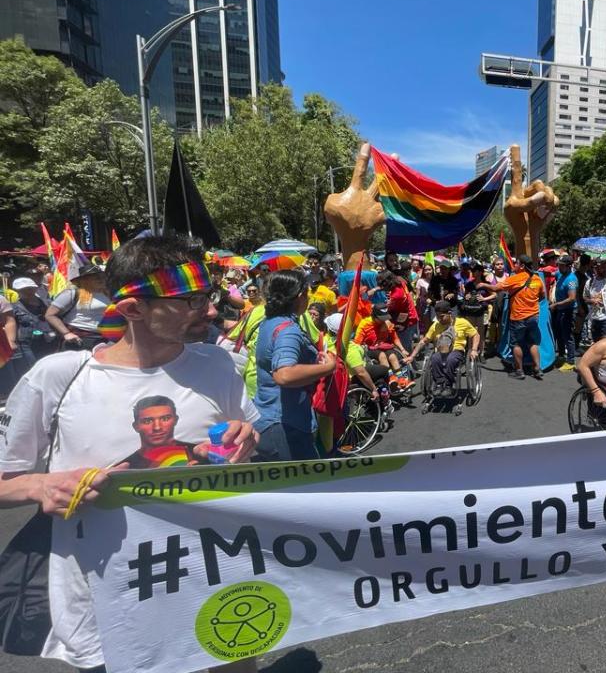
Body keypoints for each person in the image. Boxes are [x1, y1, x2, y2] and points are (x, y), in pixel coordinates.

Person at [0, 234, 259, 673]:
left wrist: (244, 442)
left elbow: (239, 457)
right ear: (133, 310)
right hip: (106, 609)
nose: (211, 311)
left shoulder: (218, 365)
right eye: (192, 300)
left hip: (212, 589)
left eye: (208, 295)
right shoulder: (59, 376)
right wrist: (45, 485)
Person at [253, 269, 338, 461]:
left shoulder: (270, 322)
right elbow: (284, 374)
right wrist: (328, 367)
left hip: (269, 416)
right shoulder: (288, 330)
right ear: (300, 297)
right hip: (284, 423)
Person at [478, 254, 545, 380]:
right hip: (533, 316)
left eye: (517, 263)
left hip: (518, 317)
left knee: (516, 344)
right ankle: (537, 369)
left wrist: (483, 285)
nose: (514, 265)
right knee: (532, 342)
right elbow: (542, 296)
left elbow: (496, 288)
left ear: (522, 266)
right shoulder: (537, 279)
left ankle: (519, 371)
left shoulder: (515, 278)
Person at [404, 300, 479, 397]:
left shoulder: (462, 322)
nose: (439, 319)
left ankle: (448, 385)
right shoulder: (435, 326)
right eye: (437, 317)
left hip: (457, 351)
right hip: (441, 350)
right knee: (435, 358)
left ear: (450, 313)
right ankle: (439, 384)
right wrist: (412, 356)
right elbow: (424, 341)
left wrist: (474, 350)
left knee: (451, 359)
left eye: (442, 316)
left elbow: (475, 335)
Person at [45, 263, 110, 350]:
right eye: (95, 277)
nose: (100, 279)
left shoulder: (108, 293)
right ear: (84, 280)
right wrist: (66, 333)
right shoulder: (72, 293)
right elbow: (50, 315)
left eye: (102, 276)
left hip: (105, 338)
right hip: (80, 339)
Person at [354, 303, 413, 388]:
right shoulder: (365, 324)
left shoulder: (387, 323)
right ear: (374, 316)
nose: (384, 320)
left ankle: (401, 380)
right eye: (381, 319)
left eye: (385, 318)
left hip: (384, 346)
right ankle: (390, 378)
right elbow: (357, 343)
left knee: (393, 356)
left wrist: (402, 349)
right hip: (370, 349)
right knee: (382, 356)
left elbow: (395, 338)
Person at [550, 255, 579, 371]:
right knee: (558, 334)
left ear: (569, 266)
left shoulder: (571, 280)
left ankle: (571, 361)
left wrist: (556, 305)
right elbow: (550, 274)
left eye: (562, 265)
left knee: (568, 336)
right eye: (559, 264)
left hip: (568, 310)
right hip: (560, 310)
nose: (559, 267)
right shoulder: (560, 273)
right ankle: (561, 356)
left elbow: (572, 298)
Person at [382, 272, 419, 353]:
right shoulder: (400, 281)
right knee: (407, 348)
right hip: (411, 316)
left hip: (407, 321)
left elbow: (391, 309)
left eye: (383, 285)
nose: (383, 288)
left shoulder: (396, 295)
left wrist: (388, 304)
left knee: (404, 351)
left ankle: (409, 365)